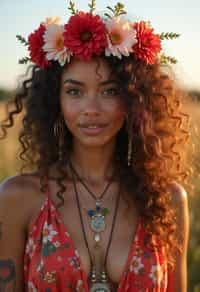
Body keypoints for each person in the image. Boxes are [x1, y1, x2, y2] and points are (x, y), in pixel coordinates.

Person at [0, 1, 191, 291]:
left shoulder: (166, 202)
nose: (91, 108)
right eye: (74, 91)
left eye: (110, 91)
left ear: (133, 100)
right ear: (55, 101)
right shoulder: (19, 197)